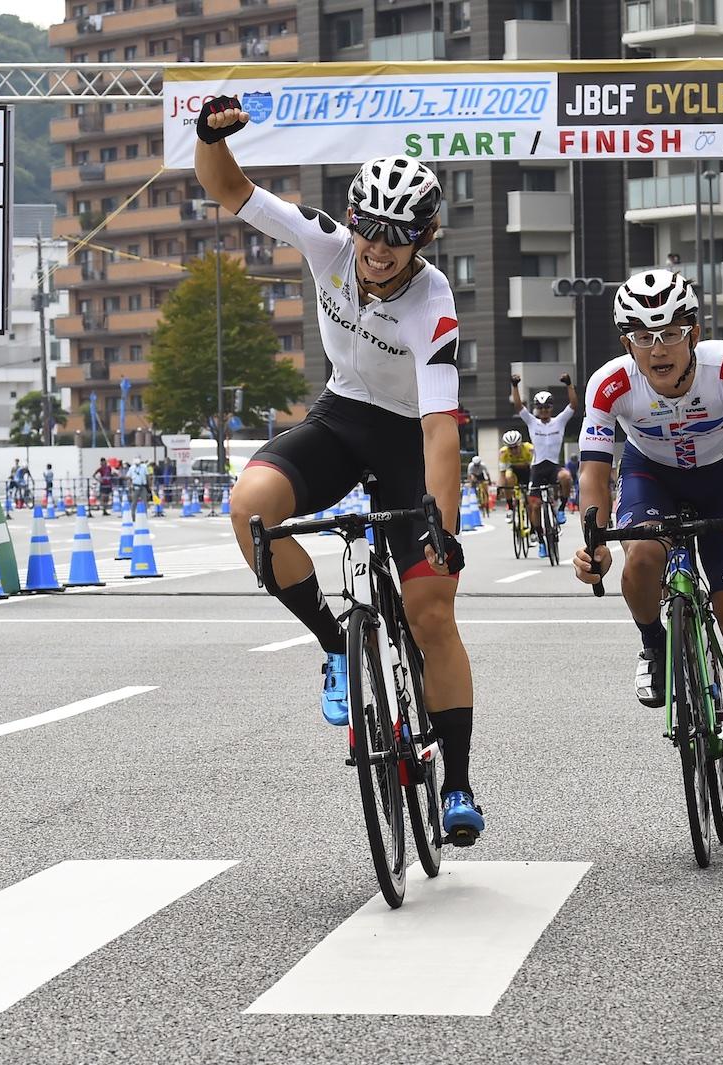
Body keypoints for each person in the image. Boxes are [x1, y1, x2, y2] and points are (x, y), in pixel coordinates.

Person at [196, 95, 485, 844]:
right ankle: (331, 643)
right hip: (339, 416)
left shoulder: (433, 302)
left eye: (398, 239)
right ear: (352, 222)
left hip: (408, 439)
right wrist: (208, 139)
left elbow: (438, 428)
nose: (378, 250)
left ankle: (457, 783)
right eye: (370, 232)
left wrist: (442, 529)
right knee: (250, 509)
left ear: (423, 240)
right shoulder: (327, 243)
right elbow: (231, 192)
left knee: (431, 616)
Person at [570, 269, 723, 804]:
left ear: (694, 331)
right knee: (640, 553)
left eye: (668, 333)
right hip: (651, 477)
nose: (657, 348)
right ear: (626, 343)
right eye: (642, 336)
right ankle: (653, 643)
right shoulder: (610, 383)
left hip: (721, 479)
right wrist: (593, 542)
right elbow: (594, 472)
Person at [509, 372, 578, 556]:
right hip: (538, 469)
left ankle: (562, 509)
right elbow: (518, 406)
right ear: (537, 409)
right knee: (534, 506)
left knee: (566, 476)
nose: (545, 410)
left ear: (551, 408)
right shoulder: (532, 422)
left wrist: (569, 384)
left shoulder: (559, 422)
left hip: (554, 466)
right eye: (541, 407)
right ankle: (540, 541)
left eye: (547, 407)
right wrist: (515, 386)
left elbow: (573, 405)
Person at [498, 430, 534, 513]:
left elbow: (535, 469)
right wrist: (501, 487)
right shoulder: (503, 452)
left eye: (515, 447)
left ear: (520, 444)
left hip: (529, 471)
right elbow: (502, 474)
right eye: (510, 448)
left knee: (530, 496)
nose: (513, 450)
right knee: (507, 478)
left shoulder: (529, 449)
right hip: (514, 472)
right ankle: (510, 507)